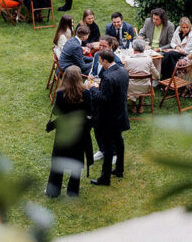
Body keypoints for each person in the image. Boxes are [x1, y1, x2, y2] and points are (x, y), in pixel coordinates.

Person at [46, 66, 93, 198]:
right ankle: (73, 191)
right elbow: (90, 112)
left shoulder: (61, 93)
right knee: (76, 161)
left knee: (58, 160)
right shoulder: (86, 93)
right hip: (80, 131)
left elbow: (55, 111)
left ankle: (53, 191)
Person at [87, 49, 129, 186]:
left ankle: (105, 178)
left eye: (100, 61)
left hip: (109, 117)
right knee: (119, 142)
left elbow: (104, 99)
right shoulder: (123, 71)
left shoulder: (108, 77)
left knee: (108, 146)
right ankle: (119, 169)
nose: (99, 63)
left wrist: (92, 88)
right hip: (121, 113)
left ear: (105, 61)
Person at [124, 39, 160, 114]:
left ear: (133, 48)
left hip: (130, 87)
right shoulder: (148, 59)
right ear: (144, 48)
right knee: (143, 82)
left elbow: (124, 74)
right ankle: (140, 106)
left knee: (133, 82)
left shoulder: (128, 60)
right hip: (145, 87)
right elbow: (156, 75)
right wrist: (153, 79)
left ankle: (134, 106)